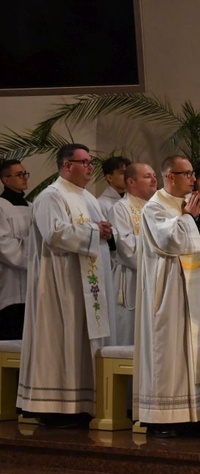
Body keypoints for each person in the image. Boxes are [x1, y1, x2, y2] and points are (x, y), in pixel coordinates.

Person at [17, 143, 116, 427]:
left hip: (88, 283)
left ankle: (82, 402)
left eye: (90, 162)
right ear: (66, 165)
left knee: (83, 339)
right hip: (60, 282)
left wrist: (104, 232)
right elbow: (55, 234)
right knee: (61, 339)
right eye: (83, 162)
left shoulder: (88, 198)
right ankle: (54, 405)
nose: (89, 167)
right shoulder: (51, 196)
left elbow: (97, 232)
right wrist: (96, 231)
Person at [134, 155, 200, 437]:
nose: (193, 180)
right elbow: (170, 241)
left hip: (192, 286)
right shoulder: (155, 207)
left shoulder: (190, 204)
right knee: (168, 350)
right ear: (170, 176)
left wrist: (194, 217)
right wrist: (188, 218)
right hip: (167, 290)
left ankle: (195, 413)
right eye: (187, 174)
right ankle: (164, 416)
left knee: (192, 351)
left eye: (193, 174)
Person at [109, 162, 158, 345]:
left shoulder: (159, 208)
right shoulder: (121, 208)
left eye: (154, 175)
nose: (154, 179)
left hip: (158, 280)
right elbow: (126, 248)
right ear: (131, 181)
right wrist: (161, 248)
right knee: (131, 338)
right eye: (147, 176)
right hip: (131, 281)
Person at [0, 159, 31, 340]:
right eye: (19, 174)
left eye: (25, 173)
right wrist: (30, 252)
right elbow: (3, 244)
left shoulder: (33, 207)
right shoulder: (2, 207)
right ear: (5, 180)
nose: (24, 178)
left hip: (31, 285)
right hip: (9, 283)